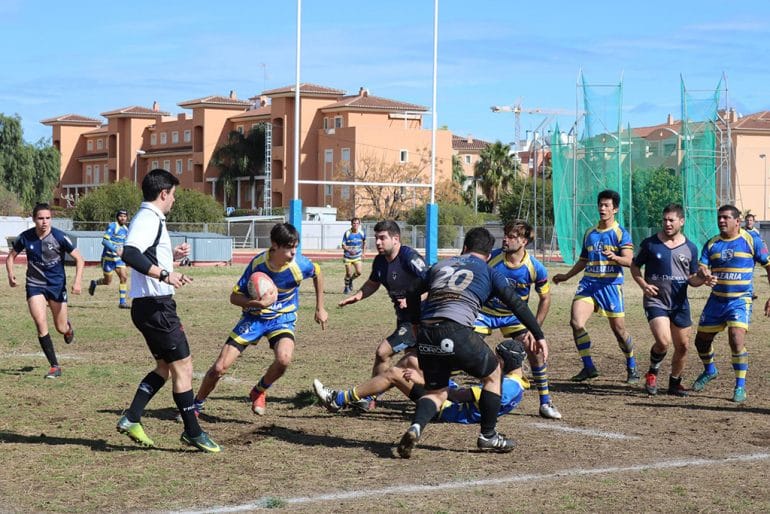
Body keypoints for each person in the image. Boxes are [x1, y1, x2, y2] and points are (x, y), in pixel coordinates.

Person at [396, 227, 549, 458]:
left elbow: (411, 291)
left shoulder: (440, 266)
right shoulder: (488, 271)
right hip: (456, 330)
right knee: (494, 374)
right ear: (488, 254)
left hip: (428, 332)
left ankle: (416, 427)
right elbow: (518, 304)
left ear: (464, 248)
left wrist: (416, 325)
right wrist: (539, 335)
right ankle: (488, 435)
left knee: (436, 392)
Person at [116, 168, 220, 453]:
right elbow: (130, 253)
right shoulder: (149, 217)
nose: (174, 200)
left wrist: (170, 260)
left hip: (149, 306)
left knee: (165, 367)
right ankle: (193, 431)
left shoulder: (151, 218)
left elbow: (144, 254)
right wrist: (165, 274)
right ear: (163, 193)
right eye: (173, 195)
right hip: (157, 307)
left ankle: (132, 417)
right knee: (183, 366)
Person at [193, 222, 328, 417]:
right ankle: (196, 405)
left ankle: (259, 391)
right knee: (219, 368)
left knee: (284, 359)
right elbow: (234, 297)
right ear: (274, 245)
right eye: (289, 248)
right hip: (254, 318)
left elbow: (318, 272)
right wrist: (257, 304)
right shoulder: (258, 265)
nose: (293, 252)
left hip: (283, 317)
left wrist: (320, 307)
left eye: (295, 247)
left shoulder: (300, 265)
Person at [313, 339, 529, 424]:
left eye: (496, 357)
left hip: (446, 408)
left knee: (395, 374)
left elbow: (454, 395)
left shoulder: (507, 387)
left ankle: (339, 399)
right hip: (450, 398)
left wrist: (422, 380)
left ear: (505, 361)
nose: (492, 361)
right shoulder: (515, 383)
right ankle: (366, 396)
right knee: (413, 359)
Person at [474, 219, 561, 419]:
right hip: (485, 313)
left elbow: (545, 298)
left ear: (523, 241)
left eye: (511, 236)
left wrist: (534, 328)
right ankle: (447, 394)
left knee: (535, 350)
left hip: (513, 316)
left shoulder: (535, 268)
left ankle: (545, 402)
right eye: (505, 234)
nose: (505, 239)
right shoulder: (491, 259)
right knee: (465, 348)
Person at [552, 189, 639, 384]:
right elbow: (583, 261)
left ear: (615, 209)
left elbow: (629, 261)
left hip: (610, 286)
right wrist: (566, 276)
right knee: (576, 323)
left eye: (607, 205)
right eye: (600, 205)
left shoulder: (620, 233)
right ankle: (588, 366)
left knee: (619, 331)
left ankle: (631, 364)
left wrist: (615, 257)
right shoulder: (590, 233)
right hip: (589, 284)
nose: (602, 208)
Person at [338, 220, 427, 407]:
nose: (377, 242)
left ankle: (370, 396)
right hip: (403, 318)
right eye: (376, 238)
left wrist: (414, 299)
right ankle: (430, 399)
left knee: (383, 352)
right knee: (413, 363)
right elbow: (372, 283)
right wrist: (358, 296)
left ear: (396, 239)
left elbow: (433, 284)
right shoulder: (380, 261)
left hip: (418, 319)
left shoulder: (409, 257)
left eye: (382, 238)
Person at [690, 205, 770, 403]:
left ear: (737, 220)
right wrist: (704, 274)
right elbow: (701, 268)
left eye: (726, 217)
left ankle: (740, 387)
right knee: (701, 341)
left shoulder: (751, 240)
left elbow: (768, 266)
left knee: (736, 339)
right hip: (716, 300)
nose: (721, 221)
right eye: (719, 218)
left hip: (740, 300)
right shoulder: (712, 244)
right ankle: (710, 370)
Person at [630, 204, 705, 397]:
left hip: (679, 304)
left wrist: (703, 279)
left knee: (683, 346)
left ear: (681, 221)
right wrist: (644, 285)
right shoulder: (650, 244)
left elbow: (693, 279)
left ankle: (674, 383)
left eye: (671, 220)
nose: (667, 223)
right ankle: (652, 373)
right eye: (664, 220)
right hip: (656, 301)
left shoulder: (690, 247)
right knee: (663, 342)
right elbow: (635, 267)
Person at [6, 203, 83, 378]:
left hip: (56, 286)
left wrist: (77, 281)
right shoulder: (25, 237)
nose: (44, 222)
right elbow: (11, 258)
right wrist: (11, 275)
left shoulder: (60, 237)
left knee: (60, 327)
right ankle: (55, 366)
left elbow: (80, 259)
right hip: (35, 285)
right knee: (41, 323)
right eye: (40, 218)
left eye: (47, 218)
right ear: (34, 219)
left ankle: (68, 329)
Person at [88, 209, 130, 308]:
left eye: (124, 216)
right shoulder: (113, 226)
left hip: (119, 260)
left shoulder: (126, 229)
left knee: (124, 277)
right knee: (107, 282)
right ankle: (95, 282)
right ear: (117, 217)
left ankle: (122, 302)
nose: (123, 218)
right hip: (108, 259)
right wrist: (116, 250)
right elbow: (105, 241)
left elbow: (124, 244)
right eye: (121, 216)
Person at [341, 217, 366, 294]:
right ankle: (346, 287)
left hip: (357, 256)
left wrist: (363, 253)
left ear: (359, 224)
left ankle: (351, 280)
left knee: (359, 272)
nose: (355, 225)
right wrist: (349, 250)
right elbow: (343, 245)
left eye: (357, 223)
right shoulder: (347, 233)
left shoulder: (361, 233)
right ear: (351, 224)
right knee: (348, 273)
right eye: (354, 223)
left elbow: (364, 242)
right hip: (348, 256)